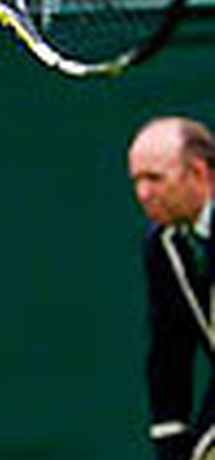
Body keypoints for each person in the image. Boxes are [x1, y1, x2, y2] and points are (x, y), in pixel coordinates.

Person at [128, 117, 215, 460]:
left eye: (154, 178)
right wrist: (172, 441)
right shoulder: (162, 246)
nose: (143, 194)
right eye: (136, 181)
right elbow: (170, 352)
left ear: (198, 173)